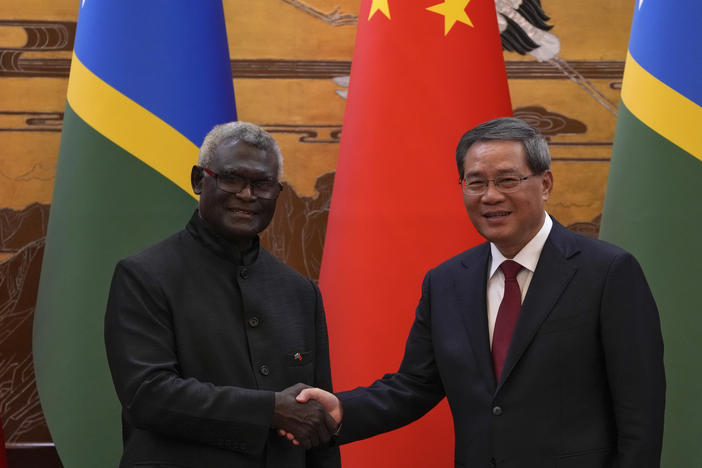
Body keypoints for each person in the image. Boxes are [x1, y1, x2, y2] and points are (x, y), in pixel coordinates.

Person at [293, 117, 666, 467]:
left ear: (546, 183)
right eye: (475, 182)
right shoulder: (446, 282)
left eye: (507, 180)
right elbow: (414, 385)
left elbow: (640, 412)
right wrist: (342, 409)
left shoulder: (608, 272)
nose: (490, 196)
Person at [104, 121, 340, 468]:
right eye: (231, 178)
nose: (246, 195)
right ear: (200, 180)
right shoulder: (144, 276)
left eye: (262, 184)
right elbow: (148, 396)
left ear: (278, 193)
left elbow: (316, 420)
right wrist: (271, 410)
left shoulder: (300, 292)